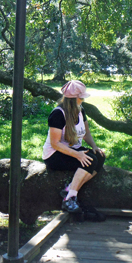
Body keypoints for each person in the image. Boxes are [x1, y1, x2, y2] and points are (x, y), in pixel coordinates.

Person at [42, 80, 105, 214]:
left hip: (72, 150)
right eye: (81, 97)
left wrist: (94, 146)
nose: (82, 100)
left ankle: (69, 190)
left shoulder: (81, 111)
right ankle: (70, 198)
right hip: (54, 154)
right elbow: (55, 143)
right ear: (73, 99)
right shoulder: (58, 114)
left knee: (98, 156)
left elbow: (86, 133)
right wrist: (78, 155)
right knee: (90, 160)